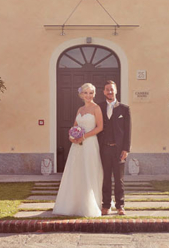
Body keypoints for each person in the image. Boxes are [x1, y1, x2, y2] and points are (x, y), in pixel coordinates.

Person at [52, 82, 104, 217]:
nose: (88, 95)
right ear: (81, 94)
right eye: (86, 93)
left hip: (90, 144)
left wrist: (84, 137)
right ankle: (72, 204)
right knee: (76, 172)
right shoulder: (80, 109)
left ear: (94, 94)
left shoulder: (96, 108)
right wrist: (71, 136)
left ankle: (89, 205)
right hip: (77, 146)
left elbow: (100, 127)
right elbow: (74, 126)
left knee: (88, 170)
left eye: (91, 93)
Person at [97, 80, 131, 215]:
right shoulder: (99, 107)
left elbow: (128, 130)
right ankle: (106, 205)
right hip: (104, 148)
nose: (110, 91)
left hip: (119, 149)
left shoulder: (124, 109)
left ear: (116, 90)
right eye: (107, 89)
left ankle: (120, 205)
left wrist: (126, 149)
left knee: (119, 179)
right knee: (105, 178)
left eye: (112, 89)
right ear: (104, 92)